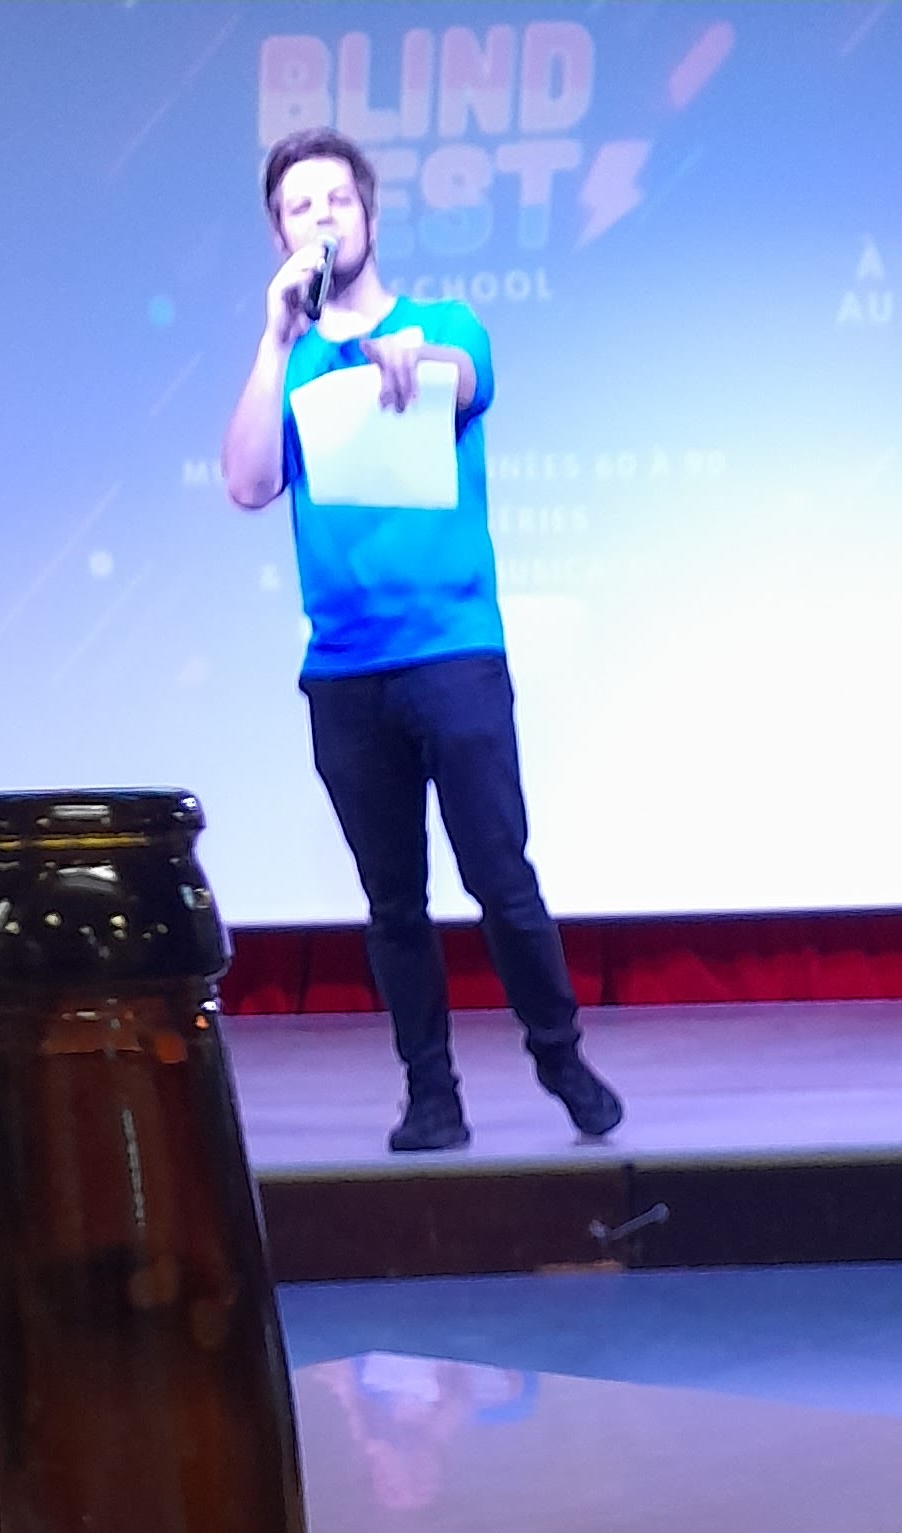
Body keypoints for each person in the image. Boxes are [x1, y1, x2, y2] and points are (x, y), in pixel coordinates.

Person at [222, 130, 622, 1156]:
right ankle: (430, 1092)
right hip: (345, 670)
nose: (321, 219)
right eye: (300, 207)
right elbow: (249, 482)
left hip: (454, 653)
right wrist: (272, 341)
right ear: (278, 234)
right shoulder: (290, 360)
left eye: (336, 201)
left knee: (500, 876)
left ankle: (561, 1056)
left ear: (370, 214)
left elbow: (472, 375)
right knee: (392, 902)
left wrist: (415, 359)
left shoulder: (443, 324)